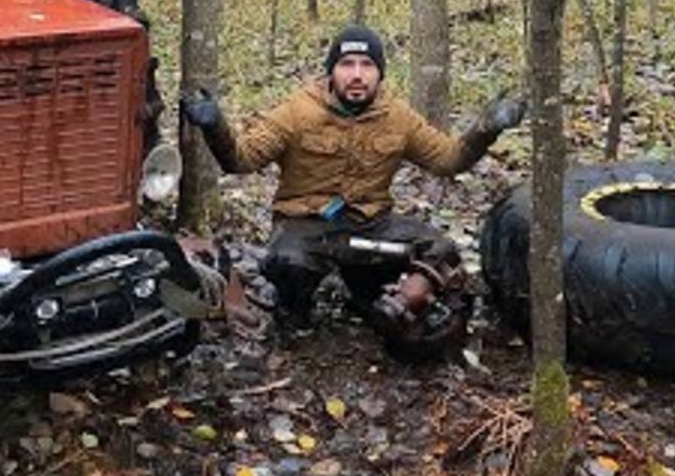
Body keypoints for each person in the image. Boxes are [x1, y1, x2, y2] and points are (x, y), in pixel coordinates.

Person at [181, 24, 526, 347]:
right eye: (347, 64)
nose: (357, 74)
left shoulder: (397, 116)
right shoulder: (297, 111)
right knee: (287, 262)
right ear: (332, 70)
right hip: (308, 224)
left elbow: (448, 160)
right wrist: (215, 127)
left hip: (371, 225)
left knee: (440, 249)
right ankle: (295, 313)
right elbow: (241, 159)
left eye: (367, 65)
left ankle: (384, 301)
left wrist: (486, 128)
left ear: (380, 73)